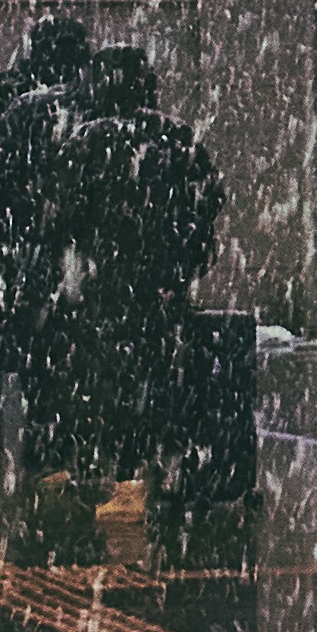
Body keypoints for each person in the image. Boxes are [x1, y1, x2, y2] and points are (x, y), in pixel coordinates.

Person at [62, 45, 224, 496]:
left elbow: (64, 215)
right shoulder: (176, 136)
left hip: (109, 285)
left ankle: (119, 463)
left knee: (109, 374)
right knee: (166, 371)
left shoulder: (88, 141)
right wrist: (185, 259)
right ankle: (168, 460)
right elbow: (206, 202)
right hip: (163, 283)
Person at [0, 19, 93, 486]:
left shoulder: (4, 114)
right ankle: (45, 449)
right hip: (43, 261)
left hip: (3, 263)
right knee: (46, 363)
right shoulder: (75, 106)